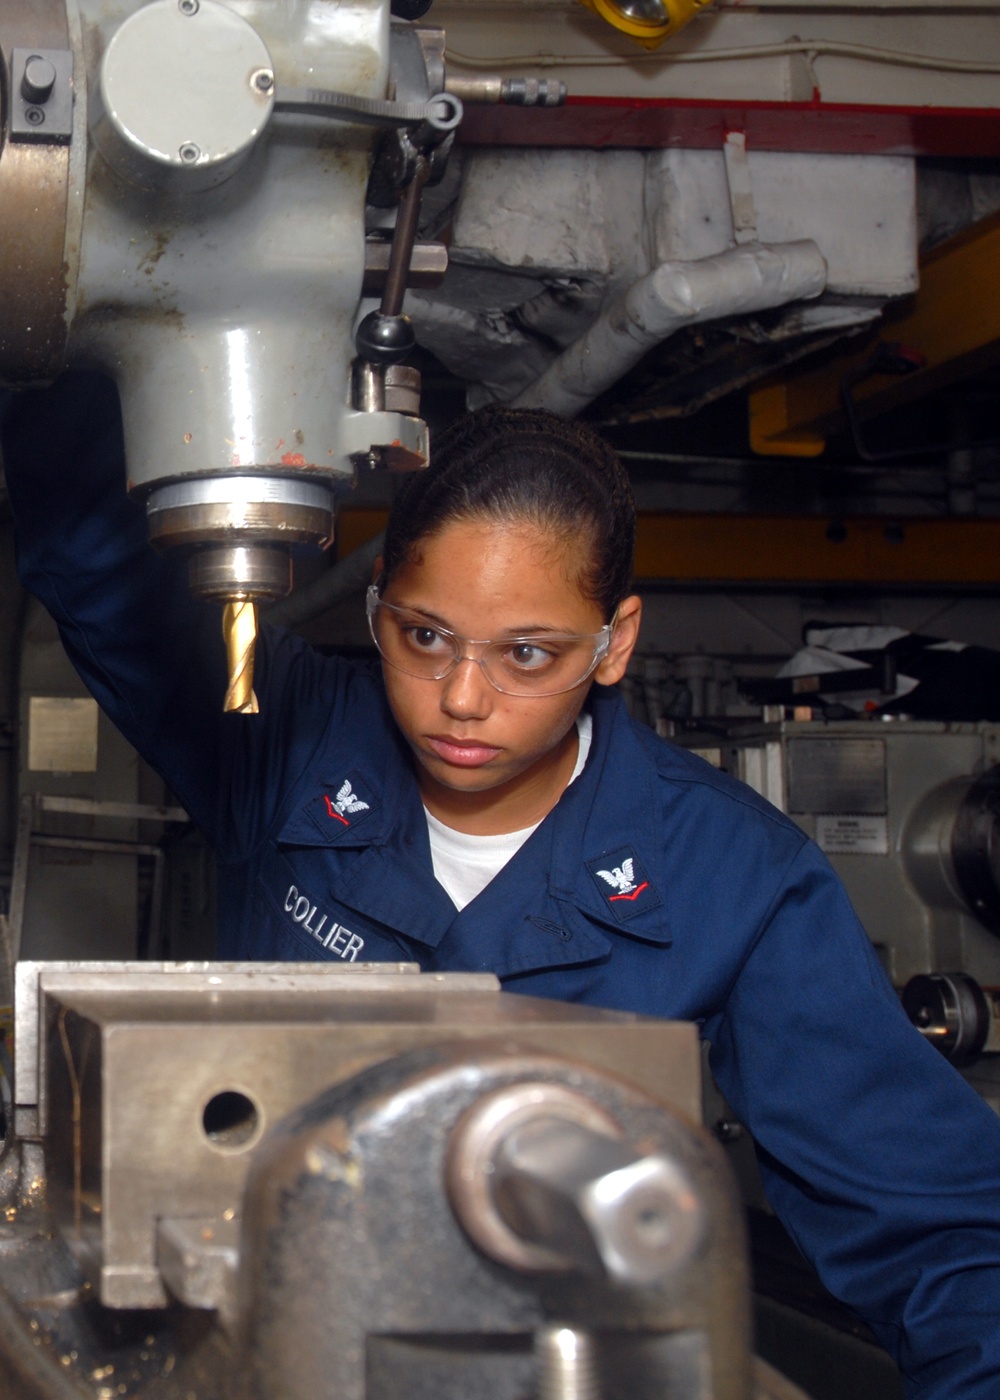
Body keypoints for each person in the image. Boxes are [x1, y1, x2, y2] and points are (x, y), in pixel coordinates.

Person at [4, 371, 1000, 1397]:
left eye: (528, 652)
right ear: (380, 592)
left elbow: (943, 1235)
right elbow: (93, 556)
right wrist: (61, 318)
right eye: (424, 634)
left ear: (614, 643)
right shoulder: (285, 742)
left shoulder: (732, 874)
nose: (463, 698)